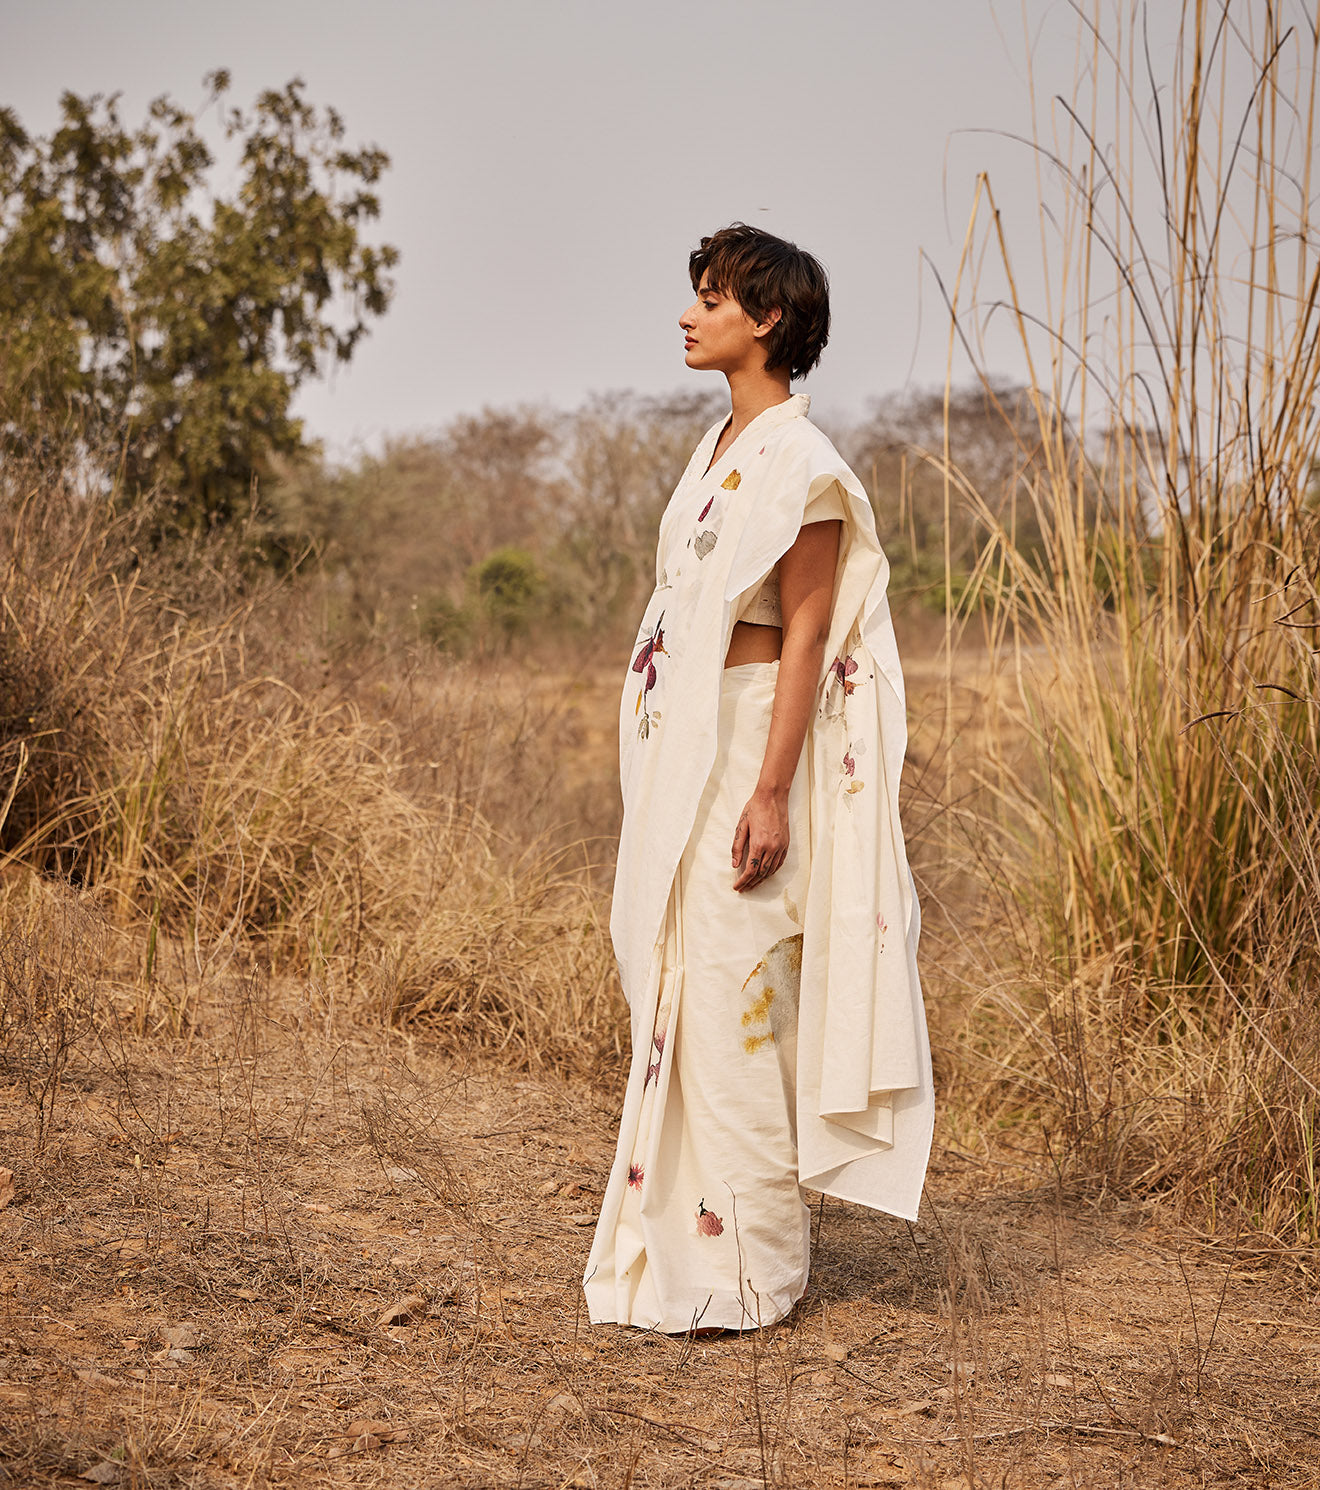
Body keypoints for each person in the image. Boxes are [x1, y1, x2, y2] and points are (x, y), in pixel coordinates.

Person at [583, 224, 933, 1336]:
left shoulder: (806, 463)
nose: (690, 313)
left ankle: (755, 1273)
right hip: (694, 749)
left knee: (739, 990)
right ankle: (673, 1258)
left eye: (714, 296)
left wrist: (772, 787)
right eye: (694, 293)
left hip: (749, 750)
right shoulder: (717, 454)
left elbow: (810, 635)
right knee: (683, 986)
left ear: (768, 318)